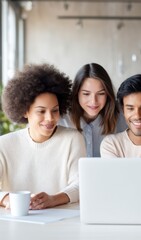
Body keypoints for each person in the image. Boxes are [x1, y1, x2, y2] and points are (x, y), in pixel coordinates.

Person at [0, 63, 86, 210]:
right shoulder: (5, 144)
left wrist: (53, 199)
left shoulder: (72, 139)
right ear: (25, 111)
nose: (50, 118)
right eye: (41, 111)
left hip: (62, 223)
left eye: (55, 110)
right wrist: (7, 200)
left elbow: (81, 185)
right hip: (16, 222)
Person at [60, 63, 127, 157]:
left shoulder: (122, 115)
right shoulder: (62, 117)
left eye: (101, 94)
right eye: (86, 94)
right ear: (76, 93)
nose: (93, 101)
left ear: (108, 94)